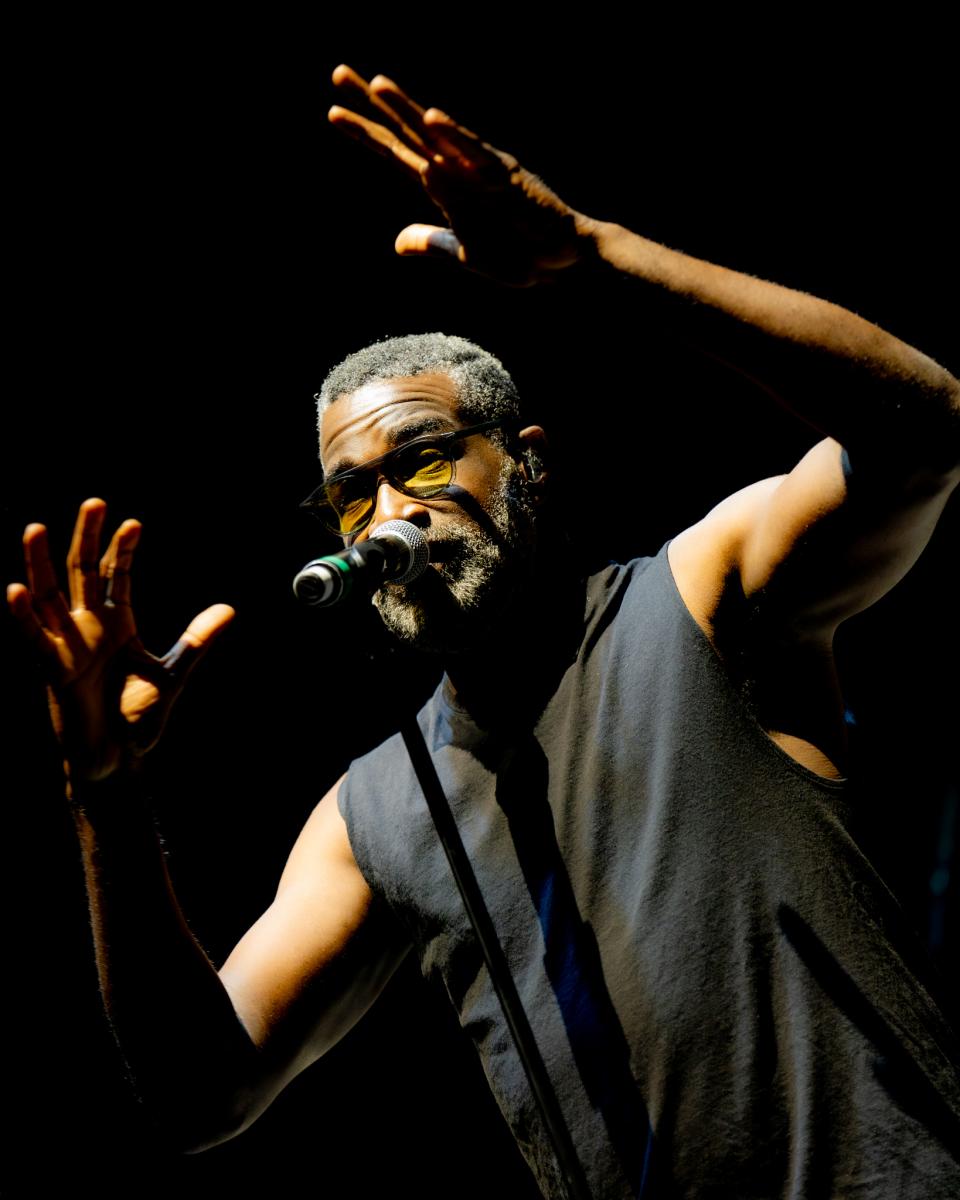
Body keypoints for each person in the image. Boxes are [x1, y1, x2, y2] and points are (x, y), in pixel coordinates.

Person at [7, 63, 959, 1198]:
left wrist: (596, 256)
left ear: (529, 467)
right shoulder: (377, 813)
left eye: (421, 461)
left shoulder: (700, 598)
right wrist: (105, 796)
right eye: (352, 497)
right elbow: (199, 1094)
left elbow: (920, 427)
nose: (388, 516)